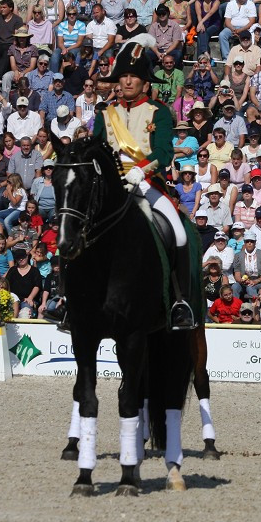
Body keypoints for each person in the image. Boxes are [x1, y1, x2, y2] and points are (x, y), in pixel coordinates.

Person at [90, 34, 195, 329]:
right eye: (122, 75)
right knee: (76, 227)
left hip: (145, 182)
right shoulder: (105, 113)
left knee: (179, 232)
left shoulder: (159, 112)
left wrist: (142, 170)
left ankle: (180, 301)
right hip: (111, 186)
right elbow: (98, 149)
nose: (126, 81)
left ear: (145, 81)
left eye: (133, 76)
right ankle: (70, 301)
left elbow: (163, 151)